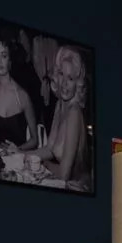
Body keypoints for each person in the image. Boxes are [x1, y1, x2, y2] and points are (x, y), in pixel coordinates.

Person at [15, 46, 89, 187]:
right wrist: (21, 154)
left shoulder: (74, 113)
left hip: (76, 188)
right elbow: (49, 149)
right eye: (61, 74)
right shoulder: (60, 104)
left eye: (70, 78)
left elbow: (64, 174)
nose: (64, 83)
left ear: (77, 84)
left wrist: (40, 163)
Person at [0, 25, 38, 150]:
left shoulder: (22, 96)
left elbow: (34, 140)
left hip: (19, 158)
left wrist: (17, 150)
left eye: (4, 55)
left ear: (10, 58)